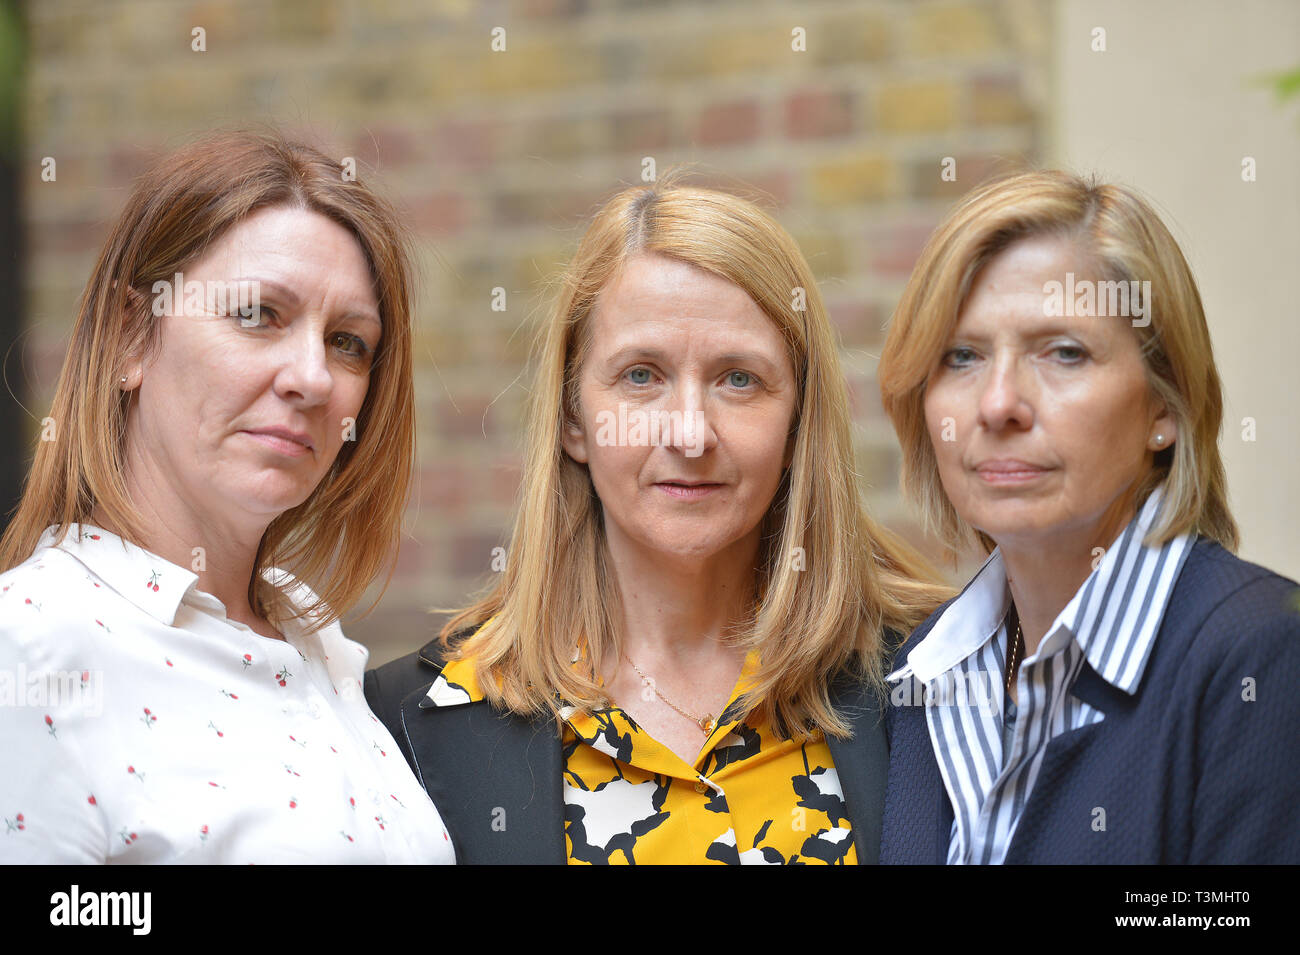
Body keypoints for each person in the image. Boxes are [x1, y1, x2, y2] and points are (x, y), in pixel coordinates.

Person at [366, 175, 952, 864]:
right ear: (573, 418)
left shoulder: (933, 681)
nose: (690, 433)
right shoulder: (416, 721)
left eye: (739, 378)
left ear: (798, 424)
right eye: (641, 375)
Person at [0, 129, 453, 863]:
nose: (311, 376)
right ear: (129, 336)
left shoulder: (313, 636)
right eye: (256, 314)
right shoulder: (32, 647)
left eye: (348, 341)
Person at [876, 169, 1300, 864]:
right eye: (962, 356)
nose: (998, 403)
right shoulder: (920, 676)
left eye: (1063, 352)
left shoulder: (1260, 656)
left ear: (1165, 405)